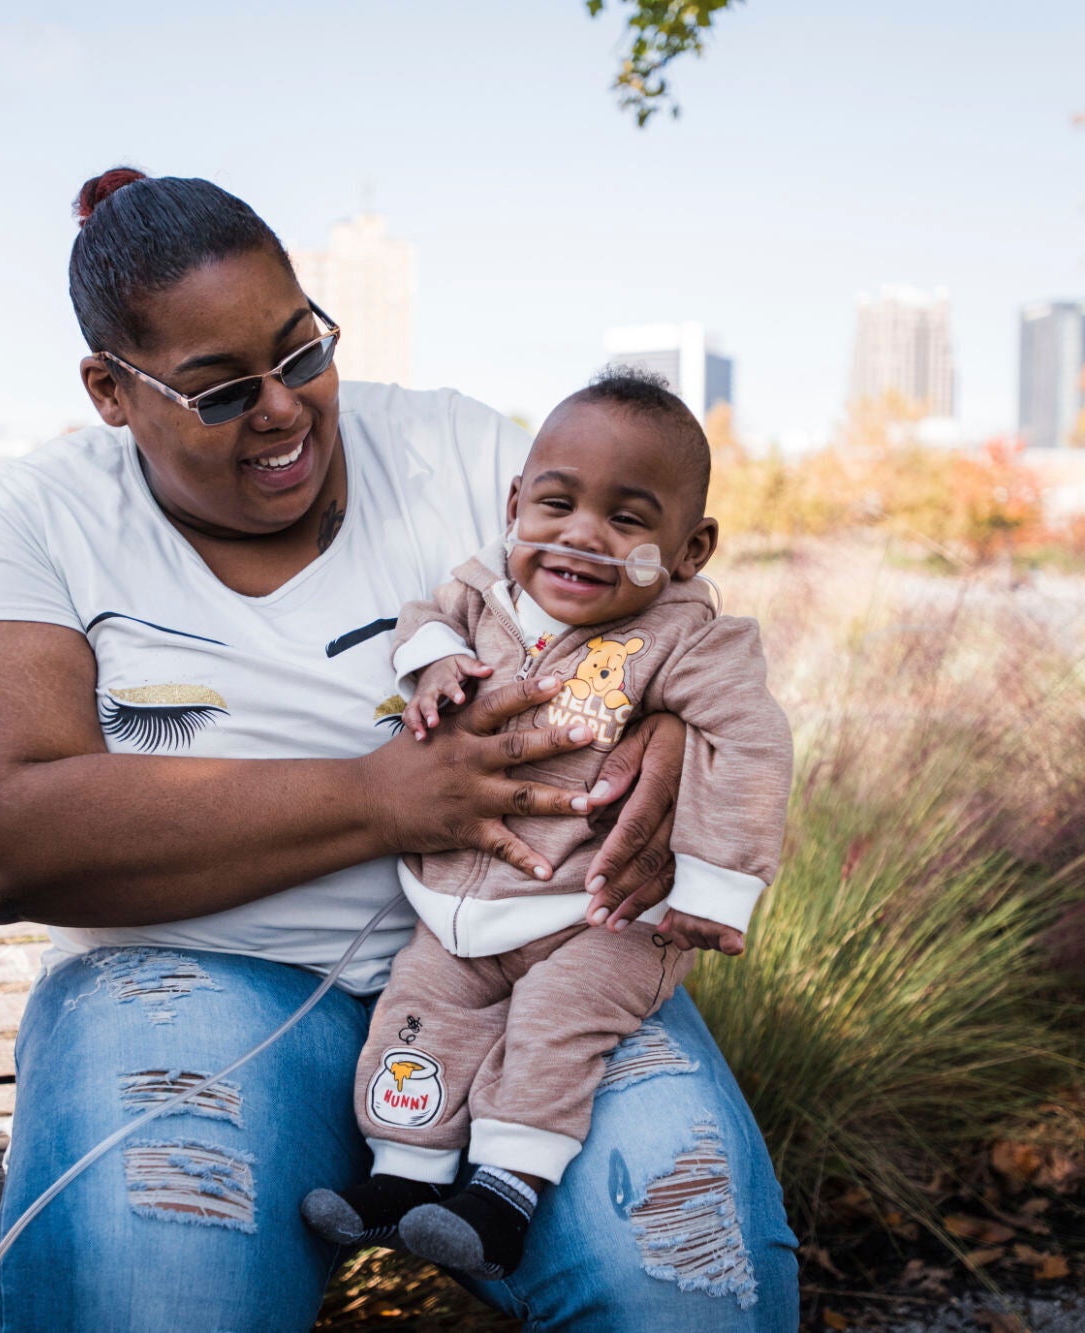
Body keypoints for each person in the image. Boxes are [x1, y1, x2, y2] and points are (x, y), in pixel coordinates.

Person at [0, 165, 800, 1330]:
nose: (282, 408)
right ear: (109, 392)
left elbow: (648, 583)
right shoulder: (29, 522)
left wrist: (675, 733)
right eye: (219, 390)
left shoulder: (457, 454)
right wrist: (382, 800)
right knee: (153, 1290)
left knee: (685, 1278)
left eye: (300, 352)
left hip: (537, 965)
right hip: (187, 980)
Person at [301, 370, 794, 1283]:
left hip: (600, 916)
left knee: (555, 1022)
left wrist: (714, 885)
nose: (582, 536)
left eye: (628, 519)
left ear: (690, 548)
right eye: (558, 504)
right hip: (456, 909)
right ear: (516, 503)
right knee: (421, 1015)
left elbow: (753, 743)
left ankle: (506, 1192)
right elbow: (425, 618)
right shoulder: (484, 593)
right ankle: (404, 1175)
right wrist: (437, 661)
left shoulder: (687, 641)